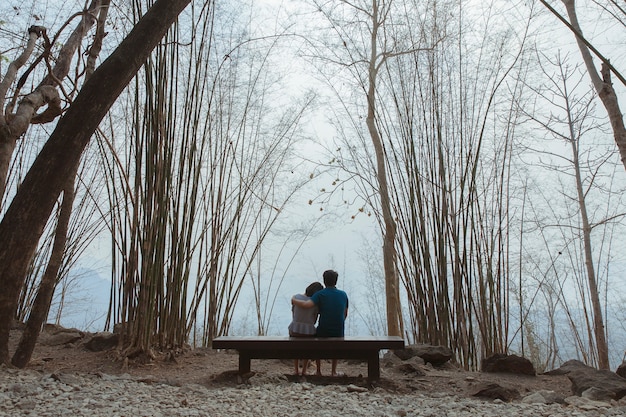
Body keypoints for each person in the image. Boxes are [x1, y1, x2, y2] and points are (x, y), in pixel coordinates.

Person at [291, 269, 349, 376]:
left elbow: (306, 305)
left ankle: (318, 371)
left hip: (324, 330)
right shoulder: (343, 294)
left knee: (317, 336)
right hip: (339, 331)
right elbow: (345, 313)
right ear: (336, 281)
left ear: (324, 280)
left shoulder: (320, 294)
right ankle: (333, 371)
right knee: (335, 342)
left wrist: (294, 300)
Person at [288, 281, 323, 375]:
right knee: (307, 349)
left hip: (294, 330)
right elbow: (314, 320)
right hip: (308, 332)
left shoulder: (296, 297)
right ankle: (304, 371)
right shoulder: (315, 303)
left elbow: (293, 314)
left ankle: (296, 370)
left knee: (295, 347)